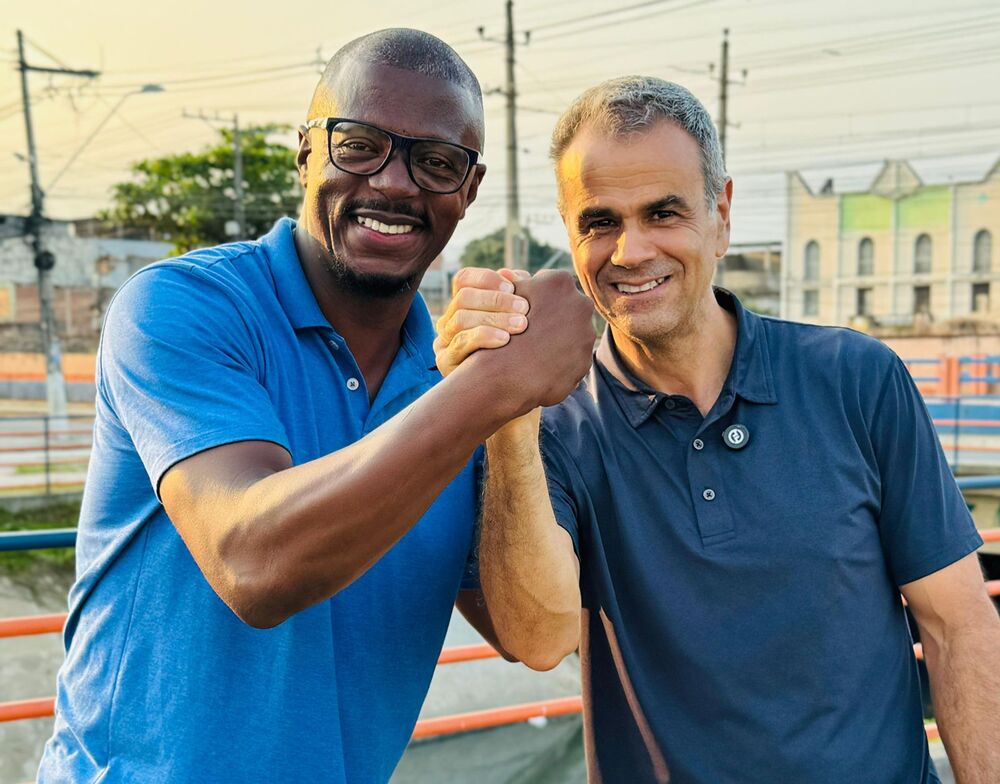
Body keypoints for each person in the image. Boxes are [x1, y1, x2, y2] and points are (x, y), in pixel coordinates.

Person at [37, 29, 595, 783]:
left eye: (435, 163)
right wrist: (493, 388)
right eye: (360, 145)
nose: (395, 184)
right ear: (304, 154)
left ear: (468, 190)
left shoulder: (454, 384)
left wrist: (511, 418)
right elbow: (254, 564)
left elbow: (531, 636)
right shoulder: (184, 308)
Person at [434, 76, 1000, 783]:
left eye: (663, 213)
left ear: (721, 214)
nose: (631, 251)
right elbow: (539, 639)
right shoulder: (553, 430)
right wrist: (504, 408)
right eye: (599, 221)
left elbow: (958, 626)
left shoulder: (857, 378)